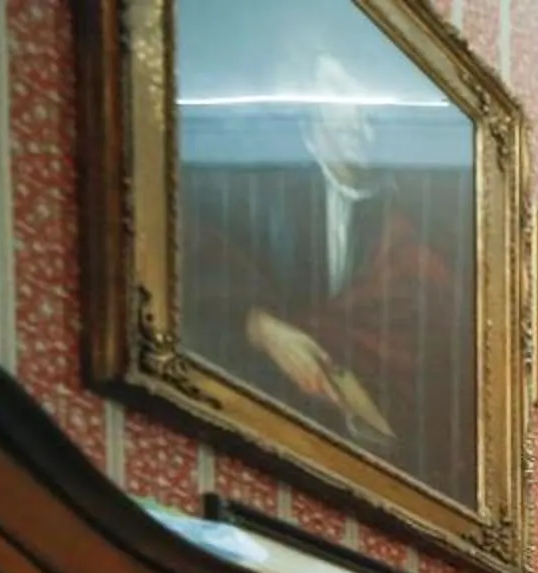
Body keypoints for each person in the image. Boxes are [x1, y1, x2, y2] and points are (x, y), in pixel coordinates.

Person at [181, 45, 478, 503]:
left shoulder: (403, 227)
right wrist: (257, 326)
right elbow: (185, 269)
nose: (362, 119)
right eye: (344, 99)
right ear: (306, 115)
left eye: (369, 105)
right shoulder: (249, 191)